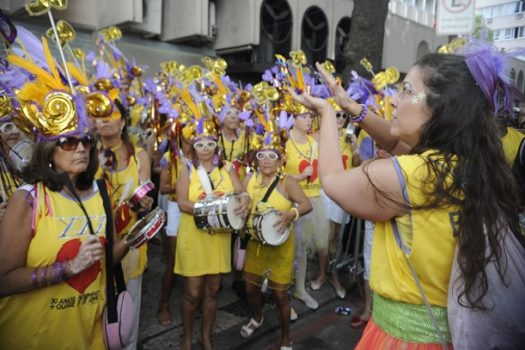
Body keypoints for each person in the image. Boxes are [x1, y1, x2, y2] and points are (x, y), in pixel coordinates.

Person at [290, 47, 524, 348]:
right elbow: (394, 138)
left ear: (440, 108)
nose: (394, 100)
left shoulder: (410, 175)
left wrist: (325, 112)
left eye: (407, 90)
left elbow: (333, 182)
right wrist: (349, 105)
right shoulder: (465, 165)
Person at [0, 132, 130, 349]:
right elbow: (3, 281)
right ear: (48, 149)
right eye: (68, 142)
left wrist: (135, 237)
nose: (81, 149)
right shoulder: (28, 198)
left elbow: (105, 262)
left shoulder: (102, 192)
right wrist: (69, 268)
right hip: (35, 337)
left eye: (86, 141)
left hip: (91, 335)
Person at [175, 120, 250, 350]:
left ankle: (205, 336)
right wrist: (212, 209)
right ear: (193, 147)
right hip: (194, 236)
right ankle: (187, 337)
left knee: (213, 289)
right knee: (192, 292)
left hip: (219, 237)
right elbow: (182, 203)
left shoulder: (227, 168)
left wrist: (245, 199)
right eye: (201, 144)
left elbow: (241, 192)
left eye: (210, 143)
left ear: (216, 145)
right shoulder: (187, 168)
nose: (206, 148)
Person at [240, 142, 312, 350]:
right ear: (256, 160)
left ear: (280, 161)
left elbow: (307, 204)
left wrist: (292, 214)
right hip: (255, 245)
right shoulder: (249, 179)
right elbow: (240, 201)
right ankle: (257, 317)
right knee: (250, 289)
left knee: (280, 295)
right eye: (262, 156)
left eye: (272, 156)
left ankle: (286, 338)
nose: (266, 160)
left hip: (280, 247)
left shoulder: (287, 182)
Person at [95, 100, 154, 350]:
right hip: (95, 243)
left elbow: (146, 193)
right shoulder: (83, 153)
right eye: (99, 115)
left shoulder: (138, 155)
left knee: (127, 305)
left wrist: (145, 203)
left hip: (129, 240)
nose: (105, 119)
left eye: (112, 114)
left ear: (123, 122)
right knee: (95, 310)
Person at [283, 102, 330, 310]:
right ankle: (282, 292)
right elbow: (276, 173)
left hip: (311, 201)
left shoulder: (314, 140)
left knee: (301, 250)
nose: (309, 119)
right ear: (292, 119)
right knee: (286, 249)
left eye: (310, 116)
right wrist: (300, 176)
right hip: (289, 201)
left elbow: (329, 118)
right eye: (304, 116)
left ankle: (300, 289)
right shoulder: (284, 141)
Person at [157, 131, 192, 325]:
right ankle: (164, 304)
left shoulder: (202, 154)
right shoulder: (169, 157)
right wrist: (184, 186)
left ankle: (192, 301)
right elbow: (162, 187)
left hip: (195, 207)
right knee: (173, 259)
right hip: (176, 207)